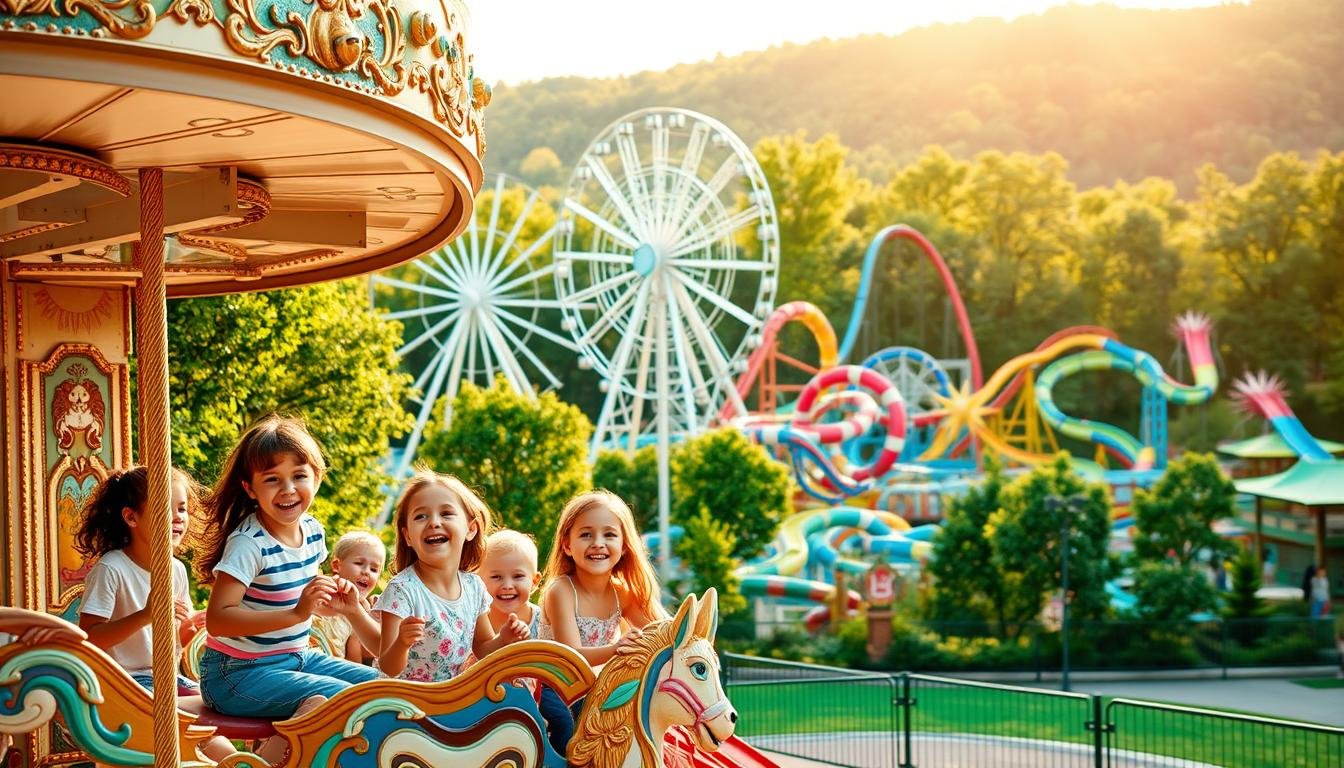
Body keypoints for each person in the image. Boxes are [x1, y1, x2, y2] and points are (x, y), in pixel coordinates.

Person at [197, 415, 379, 764]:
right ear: (250, 488)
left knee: (380, 686)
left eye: (299, 476)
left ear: (317, 477)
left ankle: (288, 744)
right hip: (235, 673)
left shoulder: (312, 531)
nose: (289, 489)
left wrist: (332, 603)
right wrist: (297, 613)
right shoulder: (248, 544)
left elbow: (305, 604)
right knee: (345, 700)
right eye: (272, 480)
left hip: (295, 658)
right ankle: (272, 758)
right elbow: (218, 620)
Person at [74, 466, 233, 762]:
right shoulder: (112, 569)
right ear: (131, 517)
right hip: (127, 684)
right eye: (164, 508)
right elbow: (90, 640)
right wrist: (147, 614)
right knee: (212, 738)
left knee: (224, 734)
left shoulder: (175, 570)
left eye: (182, 509)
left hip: (166, 678)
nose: (178, 517)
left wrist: (188, 631)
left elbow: (171, 645)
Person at [374, 470, 529, 682]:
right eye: (421, 516)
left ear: (470, 529)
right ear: (408, 536)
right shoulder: (402, 590)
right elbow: (388, 667)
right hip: (402, 703)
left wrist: (503, 639)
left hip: (449, 701)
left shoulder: (474, 587)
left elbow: (483, 648)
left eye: (446, 513)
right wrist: (402, 642)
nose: (434, 522)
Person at [538, 489, 666, 668]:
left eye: (609, 535)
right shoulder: (561, 591)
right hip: (557, 688)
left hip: (599, 689)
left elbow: (662, 634)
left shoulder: (621, 593)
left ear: (623, 546)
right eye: (586, 535)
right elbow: (571, 656)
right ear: (567, 545)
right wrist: (616, 649)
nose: (598, 543)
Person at [481, 529, 573, 755]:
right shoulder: (480, 618)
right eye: (496, 577)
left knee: (564, 720)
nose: (507, 585)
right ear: (479, 580)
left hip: (538, 684)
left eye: (518, 576)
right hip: (488, 686)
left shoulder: (541, 618)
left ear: (535, 581)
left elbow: (552, 657)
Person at [315, 530, 385, 663]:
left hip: (334, 667)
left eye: (374, 569)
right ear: (337, 566)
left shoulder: (364, 610)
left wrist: (358, 633)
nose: (366, 572)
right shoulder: (323, 588)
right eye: (359, 563)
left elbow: (354, 663)